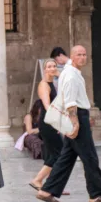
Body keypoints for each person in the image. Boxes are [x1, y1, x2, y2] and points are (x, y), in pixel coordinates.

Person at [37, 44, 101, 202]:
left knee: (67, 157)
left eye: (84, 54)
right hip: (77, 116)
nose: (82, 57)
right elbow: (70, 100)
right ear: (73, 57)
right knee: (90, 157)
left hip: (80, 115)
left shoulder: (69, 70)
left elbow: (66, 67)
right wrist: (75, 123)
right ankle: (97, 194)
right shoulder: (71, 75)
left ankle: (47, 190)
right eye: (79, 55)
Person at [29, 59, 63, 192]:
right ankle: (37, 180)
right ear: (44, 70)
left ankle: (51, 185)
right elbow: (47, 105)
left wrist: (60, 75)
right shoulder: (44, 85)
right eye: (49, 66)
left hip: (50, 122)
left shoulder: (51, 83)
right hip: (48, 123)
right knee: (58, 154)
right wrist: (56, 123)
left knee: (53, 154)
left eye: (54, 66)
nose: (53, 68)